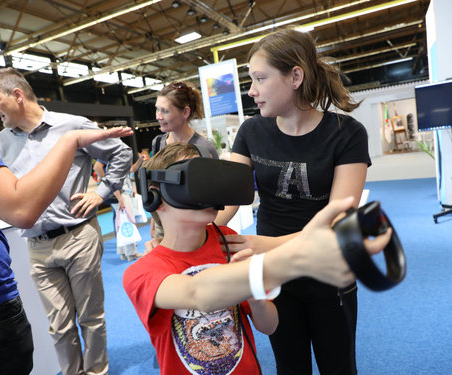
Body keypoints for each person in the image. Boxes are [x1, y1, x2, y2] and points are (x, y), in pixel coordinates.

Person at [122, 142, 390, 375]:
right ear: (155, 195)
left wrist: (256, 298)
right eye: (194, 180)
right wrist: (299, 256)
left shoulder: (230, 242)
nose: (207, 190)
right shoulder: (142, 272)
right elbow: (197, 292)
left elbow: (270, 325)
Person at [215, 28, 371, 374]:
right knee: (289, 366)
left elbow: (337, 222)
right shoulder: (252, 131)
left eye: (260, 78)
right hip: (273, 271)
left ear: (295, 76)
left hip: (326, 268)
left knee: (338, 366)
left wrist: (264, 244)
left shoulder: (346, 134)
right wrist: (195, 234)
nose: (251, 91)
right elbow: (229, 201)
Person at [0, 67, 133, 375]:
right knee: (59, 325)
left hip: (79, 236)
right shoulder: (1, 144)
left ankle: (96, 372)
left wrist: (101, 193)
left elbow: (121, 154)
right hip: (37, 246)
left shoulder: (71, 126)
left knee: (91, 318)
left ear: (17, 95)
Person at [148, 81, 219, 242]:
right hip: (164, 223)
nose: (158, 116)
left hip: (192, 227)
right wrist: (155, 220)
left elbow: (215, 195)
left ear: (185, 112)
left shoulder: (203, 148)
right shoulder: (158, 143)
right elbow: (157, 187)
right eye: (157, 109)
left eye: (165, 111)